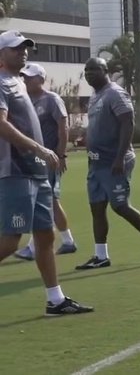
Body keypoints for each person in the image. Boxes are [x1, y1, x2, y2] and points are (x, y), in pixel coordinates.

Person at [0, 30, 93, 315]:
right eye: (16, 48)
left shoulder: (18, 81)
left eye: (26, 48)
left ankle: (56, 300)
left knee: (45, 235)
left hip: (35, 172)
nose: (23, 52)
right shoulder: (1, 83)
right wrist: (39, 149)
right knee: (12, 238)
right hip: (15, 170)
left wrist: (41, 156)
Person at [75, 57, 140, 270]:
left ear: (105, 70)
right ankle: (101, 256)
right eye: (86, 70)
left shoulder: (114, 93)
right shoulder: (96, 96)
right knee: (97, 208)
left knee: (120, 206)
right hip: (96, 163)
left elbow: (128, 122)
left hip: (115, 161)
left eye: (94, 69)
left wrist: (120, 156)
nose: (89, 73)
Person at [14, 63, 78, 260]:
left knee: (45, 200)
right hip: (32, 159)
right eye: (24, 77)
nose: (25, 80)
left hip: (48, 158)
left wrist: (61, 155)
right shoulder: (24, 100)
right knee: (48, 200)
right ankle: (67, 241)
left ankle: (35, 247)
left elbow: (63, 127)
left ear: (41, 79)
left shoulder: (52, 99)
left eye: (30, 77)